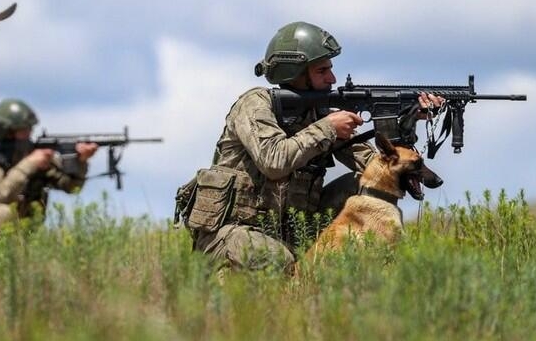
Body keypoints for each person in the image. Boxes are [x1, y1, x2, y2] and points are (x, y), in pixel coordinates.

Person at [176, 21, 443, 270]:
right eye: (322, 71)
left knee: (358, 183)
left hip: (289, 232)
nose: (332, 79)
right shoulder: (255, 104)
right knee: (278, 259)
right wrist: (327, 128)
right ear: (295, 73)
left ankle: (379, 260)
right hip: (229, 232)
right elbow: (273, 161)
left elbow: (380, 169)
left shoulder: (320, 113)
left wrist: (407, 120)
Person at [0, 98, 98, 233]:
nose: (29, 135)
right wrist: (29, 164)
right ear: (6, 132)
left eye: (29, 130)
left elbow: (70, 187)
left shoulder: (30, 153)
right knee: (3, 212)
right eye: (23, 131)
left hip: (20, 233)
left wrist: (80, 162)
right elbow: (0, 194)